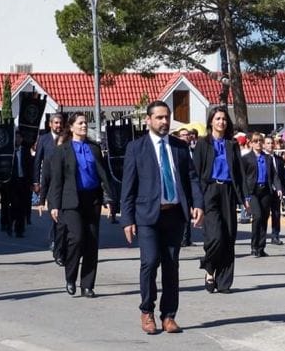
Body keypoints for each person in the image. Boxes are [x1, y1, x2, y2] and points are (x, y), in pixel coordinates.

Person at [120, 101, 203, 335]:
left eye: (166, 117)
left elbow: (191, 177)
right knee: (149, 262)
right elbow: (128, 187)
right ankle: (147, 311)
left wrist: (198, 204)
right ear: (148, 120)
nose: (164, 122)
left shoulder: (179, 146)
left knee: (171, 265)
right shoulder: (136, 148)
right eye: (159, 118)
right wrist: (127, 219)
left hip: (174, 214)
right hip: (147, 216)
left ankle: (168, 316)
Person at [48, 112, 117, 299]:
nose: (84, 126)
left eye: (86, 123)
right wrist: (53, 205)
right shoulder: (62, 150)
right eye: (80, 123)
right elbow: (57, 180)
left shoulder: (94, 149)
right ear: (71, 127)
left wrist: (110, 200)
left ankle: (87, 285)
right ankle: (70, 277)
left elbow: (104, 175)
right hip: (71, 201)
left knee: (92, 242)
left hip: (92, 199)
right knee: (76, 239)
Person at [193, 106, 242, 291]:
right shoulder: (203, 143)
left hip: (228, 190)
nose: (222, 122)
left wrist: (245, 197)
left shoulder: (232, 144)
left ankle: (224, 281)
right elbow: (196, 173)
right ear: (211, 122)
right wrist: (195, 200)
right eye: (218, 118)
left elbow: (239, 173)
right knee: (216, 236)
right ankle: (209, 265)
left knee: (229, 236)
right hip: (210, 190)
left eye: (224, 119)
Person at [241, 132, 278, 259]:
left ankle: (261, 247)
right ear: (250, 143)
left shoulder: (268, 158)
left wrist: (278, 188)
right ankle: (254, 245)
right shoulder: (246, 159)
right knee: (257, 216)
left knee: (264, 218)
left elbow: (274, 175)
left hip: (265, 190)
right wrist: (245, 196)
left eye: (260, 141)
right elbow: (243, 179)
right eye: (255, 141)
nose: (258, 143)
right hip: (253, 191)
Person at [36, 114, 65, 264]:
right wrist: (37, 182)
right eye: (56, 123)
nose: (58, 125)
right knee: (56, 217)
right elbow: (38, 161)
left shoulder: (67, 138)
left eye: (60, 123)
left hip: (66, 186)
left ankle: (59, 243)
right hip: (51, 183)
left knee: (61, 218)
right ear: (50, 124)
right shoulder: (44, 139)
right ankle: (55, 241)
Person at [1, 130, 33, 238]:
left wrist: (32, 182)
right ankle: (9, 225)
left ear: (22, 139)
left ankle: (20, 230)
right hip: (12, 183)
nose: (18, 139)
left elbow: (30, 167)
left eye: (19, 137)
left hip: (23, 182)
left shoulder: (25, 151)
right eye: (16, 137)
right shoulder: (9, 152)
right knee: (13, 206)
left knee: (22, 207)